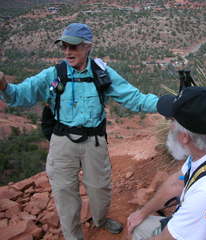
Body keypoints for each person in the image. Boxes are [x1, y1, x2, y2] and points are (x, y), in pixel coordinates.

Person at [0, 23, 159, 240]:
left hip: (94, 141)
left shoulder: (101, 73)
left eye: (73, 47)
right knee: (65, 195)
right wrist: (3, 86)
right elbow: (19, 95)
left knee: (100, 189)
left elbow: (134, 98)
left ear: (87, 47)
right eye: (64, 47)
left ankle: (100, 220)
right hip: (62, 142)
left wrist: (164, 104)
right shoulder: (53, 74)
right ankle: (74, 237)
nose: (67, 52)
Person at [127, 86, 206, 240]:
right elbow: (178, 182)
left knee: (138, 231)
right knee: (141, 222)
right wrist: (142, 212)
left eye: (171, 120)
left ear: (185, 136)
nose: (169, 125)